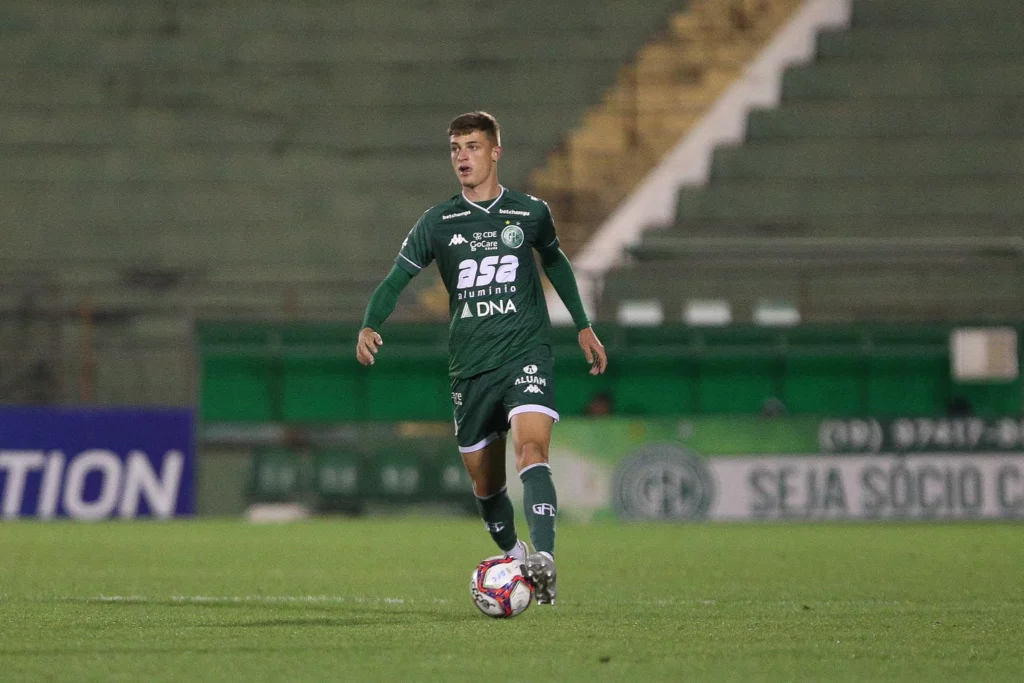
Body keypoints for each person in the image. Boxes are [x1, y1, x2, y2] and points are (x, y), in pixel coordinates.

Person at [356, 111, 607, 605]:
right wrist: (370, 322)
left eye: (471, 146)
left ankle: (545, 560)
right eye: (455, 148)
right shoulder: (438, 221)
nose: (462, 157)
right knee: (485, 483)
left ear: (495, 152)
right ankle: (515, 554)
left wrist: (582, 324)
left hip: (524, 352)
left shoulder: (529, 212)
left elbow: (555, 260)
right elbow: (395, 279)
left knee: (532, 450)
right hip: (470, 368)